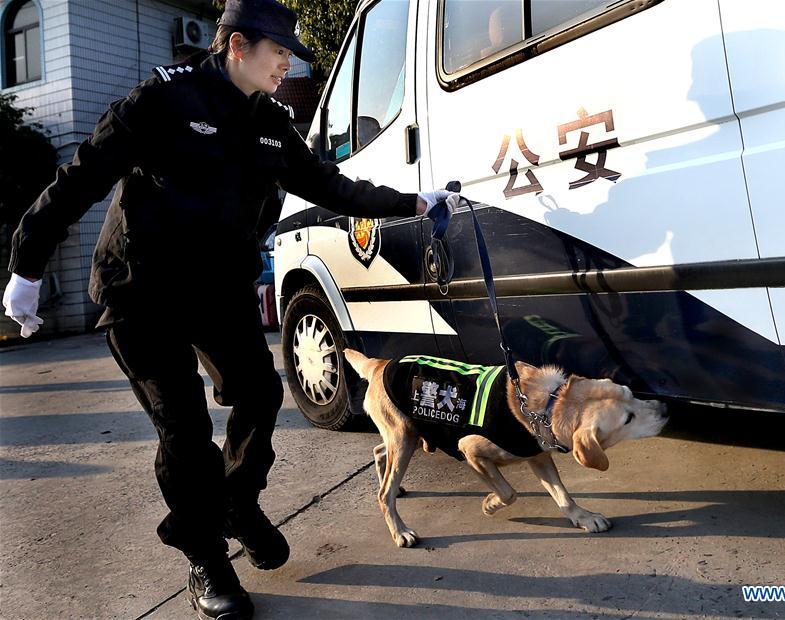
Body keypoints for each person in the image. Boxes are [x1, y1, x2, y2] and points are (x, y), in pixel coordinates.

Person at [1, 0, 456, 618]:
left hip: (216, 289)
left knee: (261, 393)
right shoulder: (162, 99)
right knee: (184, 428)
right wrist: (27, 265)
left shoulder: (270, 120)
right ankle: (207, 559)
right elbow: (82, 176)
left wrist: (412, 200)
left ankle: (238, 502)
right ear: (237, 46)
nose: (286, 63)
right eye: (278, 51)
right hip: (142, 289)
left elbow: (329, 184)